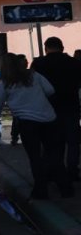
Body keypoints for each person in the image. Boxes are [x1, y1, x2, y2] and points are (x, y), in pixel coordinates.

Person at [0, 52, 73, 199]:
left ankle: (41, 190)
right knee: (54, 156)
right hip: (49, 119)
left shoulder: (3, 84)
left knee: (35, 157)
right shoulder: (34, 76)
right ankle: (66, 188)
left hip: (27, 123)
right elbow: (50, 90)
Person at [32, 37, 81, 181]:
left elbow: (33, 85)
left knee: (51, 143)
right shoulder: (74, 63)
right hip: (70, 106)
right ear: (62, 47)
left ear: (46, 48)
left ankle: (53, 171)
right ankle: (72, 171)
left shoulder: (39, 63)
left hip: (47, 108)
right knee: (73, 142)